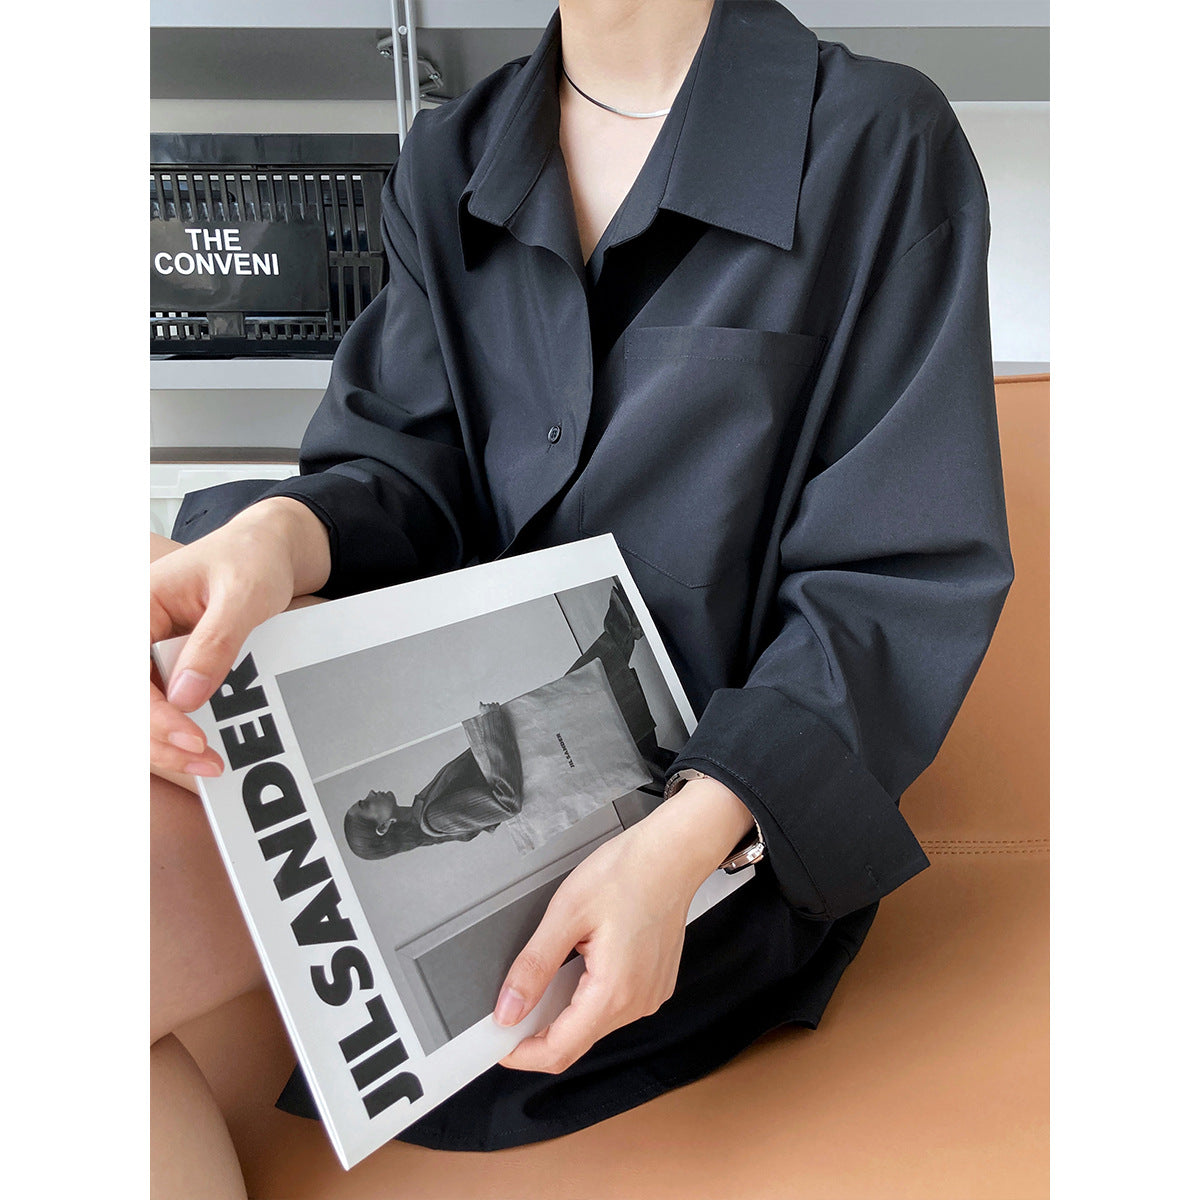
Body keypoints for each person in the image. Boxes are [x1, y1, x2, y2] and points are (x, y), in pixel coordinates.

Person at [149, 1, 1013, 1195]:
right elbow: (407, 469)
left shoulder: (876, 141)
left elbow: (890, 581)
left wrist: (694, 834)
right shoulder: (450, 159)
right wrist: (275, 537)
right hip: (511, 737)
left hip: (704, 842)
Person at [342, 581, 673, 860]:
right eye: (365, 804)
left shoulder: (424, 808)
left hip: (541, 747)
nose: (370, 794)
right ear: (383, 827)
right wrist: (492, 726)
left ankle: (674, 778)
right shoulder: (433, 818)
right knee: (588, 694)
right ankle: (625, 617)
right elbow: (507, 801)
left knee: (589, 698)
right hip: (539, 750)